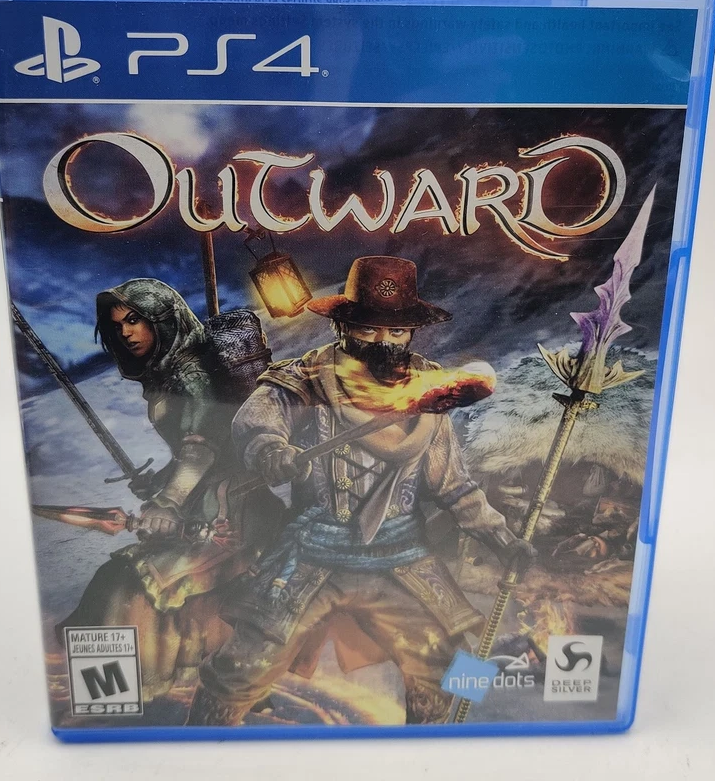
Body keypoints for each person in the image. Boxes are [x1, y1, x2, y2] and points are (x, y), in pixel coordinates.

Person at [186, 257, 534, 726]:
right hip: (315, 551)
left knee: (451, 665)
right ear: (343, 326)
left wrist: (502, 539)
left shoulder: (432, 388)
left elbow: (452, 484)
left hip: (400, 554)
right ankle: (202, 747)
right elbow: (258, 419)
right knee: (242, 665)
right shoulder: (306, 378)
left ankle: (439, 749)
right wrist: (271, 449)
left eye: (397, 330)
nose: (384, 340)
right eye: (369, 328)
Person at [60, 278, 283, 702]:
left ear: (163, 320)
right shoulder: (171, 371)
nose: (126, 332)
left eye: (134, 320)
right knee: (130, 583)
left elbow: (202, 448)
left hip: (230, 510)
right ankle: (113, 698)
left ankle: (112, 699)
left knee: (128, 584)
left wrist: (167, 500)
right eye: (118, 325)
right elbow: (190, 449)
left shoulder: (191, 374)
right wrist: (162, 480)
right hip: (203, 501)